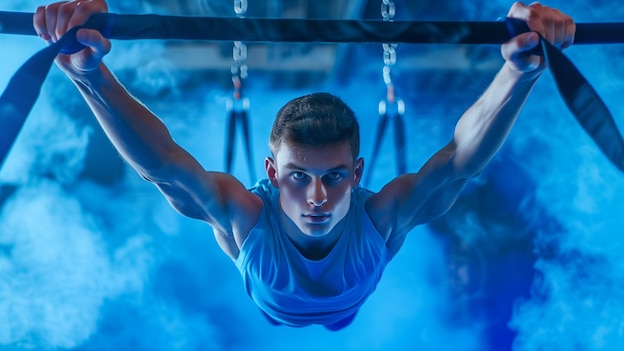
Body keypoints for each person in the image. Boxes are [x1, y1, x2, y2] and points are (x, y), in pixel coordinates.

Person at [34, 0, 575, 331]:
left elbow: (459, 162)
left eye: (334, 177)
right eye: (298, 176)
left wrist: (518, 73)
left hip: (343, 306)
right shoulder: (247, 216)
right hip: (278, 300)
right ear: (271, 173)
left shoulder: (379, 217)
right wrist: (87, 75)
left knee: (342, 320)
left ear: (357, 173)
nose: (317, 197)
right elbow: (164, 166)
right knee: (318, 313)